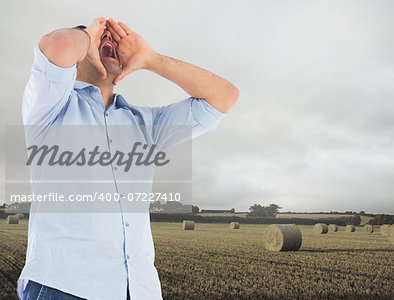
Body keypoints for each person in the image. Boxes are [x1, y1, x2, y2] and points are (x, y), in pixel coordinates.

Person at [17, 17, 239, 300]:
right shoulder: (50, 108)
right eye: (102, 39)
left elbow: (224, 97)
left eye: (113, 40)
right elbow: (58, 44)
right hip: (64, 286)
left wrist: (151, 59)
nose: (108, 41)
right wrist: (88, 34)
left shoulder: (145, 123)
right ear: (77, 55)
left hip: (140, 290)